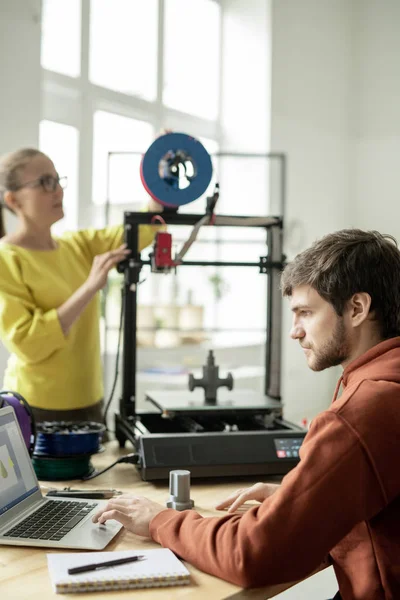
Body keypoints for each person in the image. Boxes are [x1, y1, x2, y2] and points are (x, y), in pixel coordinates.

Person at [93, 229, 400, 600]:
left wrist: (160, 520)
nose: (294, 331)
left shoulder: (360, 412)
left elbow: (251, 554)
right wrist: (297, 499)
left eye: (306, 312)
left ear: (356, 308)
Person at [0, 147, 160, 425]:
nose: (58, 191)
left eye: (58, 180)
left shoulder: (78, 246)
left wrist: (160, 171)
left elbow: (142, 229)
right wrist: (89, 288)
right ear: (13, 200)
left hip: (90, 404)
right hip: (34, 410)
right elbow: (28, 343)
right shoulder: (6, 259)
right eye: (45, 183)